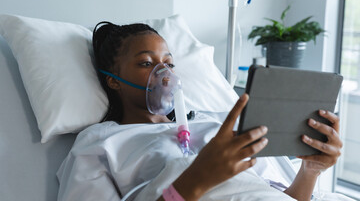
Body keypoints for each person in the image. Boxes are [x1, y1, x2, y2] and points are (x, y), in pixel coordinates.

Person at [57, 22, 343, 201]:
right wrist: (197, 178)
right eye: (146, 63)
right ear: (113, 80)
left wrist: (310, 171)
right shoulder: (100, 144)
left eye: (168, 62)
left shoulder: (211, 125)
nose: (164, 73)